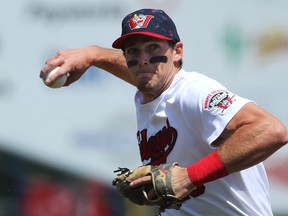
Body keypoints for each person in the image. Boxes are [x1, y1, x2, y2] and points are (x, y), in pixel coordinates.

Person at [40, 8, 288, 216]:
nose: (143, 59)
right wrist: (93, 54)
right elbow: (144, 70)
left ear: (177, 52)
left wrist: (190, 177)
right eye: (133, 52)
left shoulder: (193, 92)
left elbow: (271, 131)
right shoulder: (153, 92)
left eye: (153, 47)